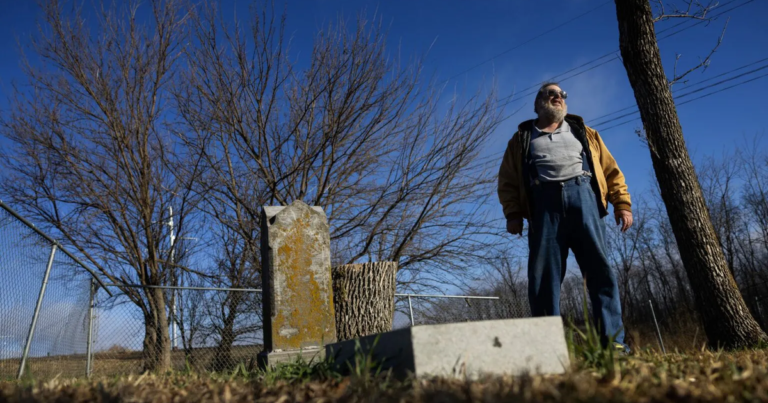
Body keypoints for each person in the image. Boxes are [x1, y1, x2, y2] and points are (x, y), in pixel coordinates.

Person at [497, 82, 633, 350]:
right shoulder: (521, 139)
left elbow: (610, 170)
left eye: (561, 94)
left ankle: (614, 345)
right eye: (551, 93)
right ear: (538, 103)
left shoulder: (585, 132)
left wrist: (622, 204)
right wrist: (513, 213)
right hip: (543, 207)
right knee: (543, 279)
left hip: (584, 200)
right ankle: (550, 350)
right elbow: (508, 180)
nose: (557, 97)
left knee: (600, 271)